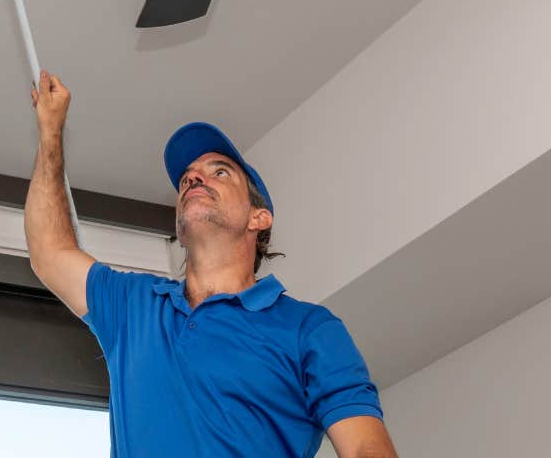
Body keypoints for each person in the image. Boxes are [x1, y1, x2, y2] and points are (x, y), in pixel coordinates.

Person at [25, 70, 399, 458]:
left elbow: (365, 449)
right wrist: (50, 132)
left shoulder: (309, 329)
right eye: (187, 178)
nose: (194, 180)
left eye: (219, 172)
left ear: (259, 218)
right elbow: (49, 253)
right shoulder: (132, 306)